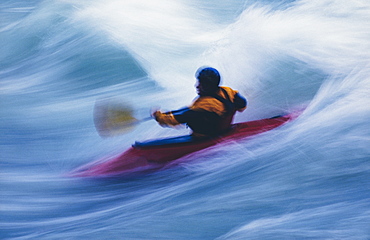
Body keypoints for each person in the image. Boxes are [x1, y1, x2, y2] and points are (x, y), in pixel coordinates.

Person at [152, 67, 247, 137]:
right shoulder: (227, 91)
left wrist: (159, 118)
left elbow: (179, 118)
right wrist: (164, 114)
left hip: (207, 135)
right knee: (190, 111)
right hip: (224, 129)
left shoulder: (206, 105)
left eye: (200, 84)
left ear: (208, 86)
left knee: (191, 114)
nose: (196, 86)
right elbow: (242, 105)